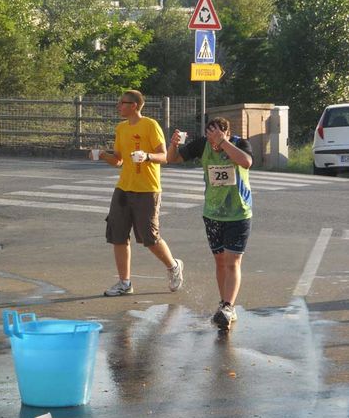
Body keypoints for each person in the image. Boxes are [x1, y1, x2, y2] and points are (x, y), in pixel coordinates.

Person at [91, 89, 183, 296]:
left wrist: (147, 156)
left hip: (147, 189)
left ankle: (173, 266)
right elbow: (118, 160)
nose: (118, 106)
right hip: (123, 188)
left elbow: (164, 156)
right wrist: (102, 155)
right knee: (118, 236)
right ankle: (125, 283)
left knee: (150, 238)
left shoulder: (150, 125)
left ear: (134, 105)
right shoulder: (121, 128)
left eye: (122, 103)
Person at [167, 117, 252, 330]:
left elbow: (246, 162)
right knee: (220, 262)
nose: (212, 141)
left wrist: (223, 143)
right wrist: (174, 144)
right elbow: (173, 159)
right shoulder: (203, 144)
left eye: (215, 136)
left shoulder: (240, 144)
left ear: (226, 133)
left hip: (238, 213)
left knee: (233, 262)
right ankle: (224, 304)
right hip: (213, 214)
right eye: (209, 135)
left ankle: (228, 306)